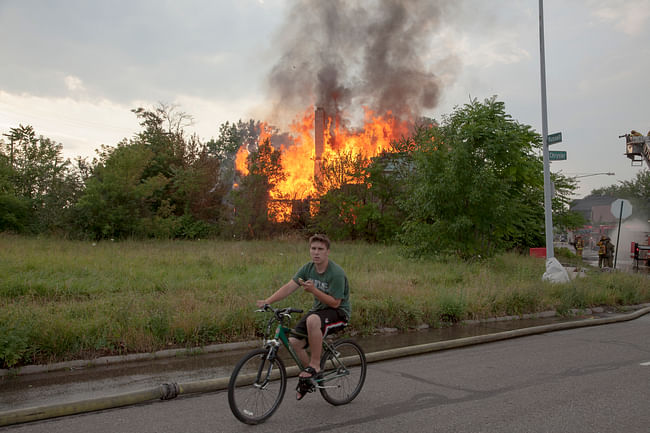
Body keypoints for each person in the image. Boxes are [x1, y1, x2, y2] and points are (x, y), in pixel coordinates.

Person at [256, 234, 350, 400]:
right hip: (319, 311)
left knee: (312, 320)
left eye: (320, 249)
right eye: (313, 248)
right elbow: (289, 287)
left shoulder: (336, 273)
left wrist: (314, 291)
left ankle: (315, 365)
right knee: (294, 342)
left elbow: (335, 303)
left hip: (339, 313)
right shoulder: (308, 269)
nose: (316, 252)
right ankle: (310, 376)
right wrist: (267, 301)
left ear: (328, 252)